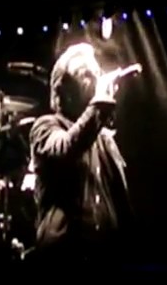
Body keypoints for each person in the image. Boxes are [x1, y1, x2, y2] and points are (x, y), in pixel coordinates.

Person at [28, 42, 141, 267]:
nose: (96, 78)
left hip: (107, 257)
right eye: (85, 74)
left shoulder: (103, 138)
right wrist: (100, 103)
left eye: (96, 72)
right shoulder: (45, 126)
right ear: (63, 90)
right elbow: (66, 148)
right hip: (64, 258)